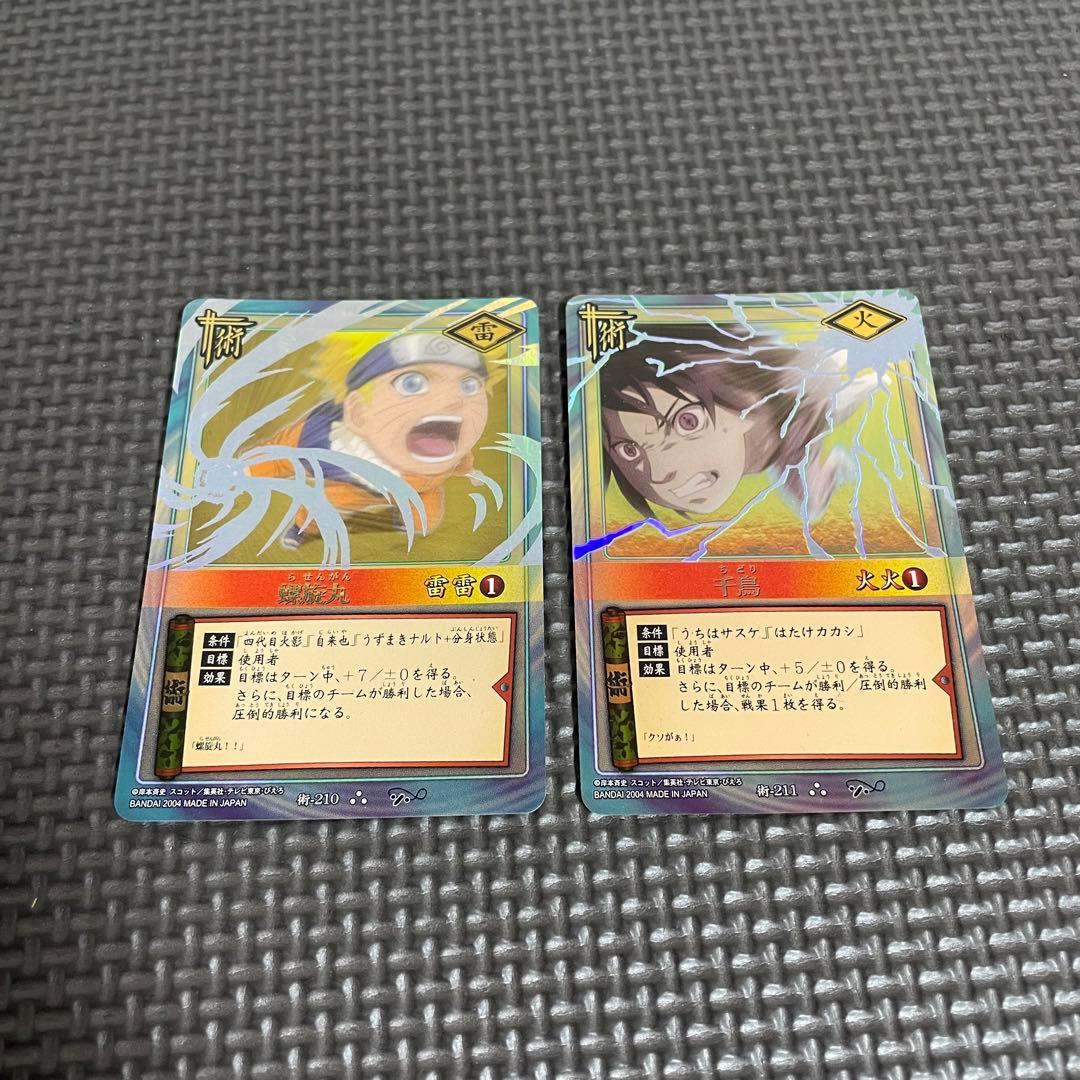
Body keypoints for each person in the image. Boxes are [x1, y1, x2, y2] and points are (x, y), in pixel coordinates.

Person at [600, 325, 871, 521]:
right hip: (794, 395)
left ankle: (861, 379)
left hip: (800, 400)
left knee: (811, 498)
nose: (661, 473)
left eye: (688, 422)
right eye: (629, 450)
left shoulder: (783, 421)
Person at [250, 332, 489, 548]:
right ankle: (302, 529)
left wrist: (470, 471)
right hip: (357, 487)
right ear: (358, 412)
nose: (453, 400)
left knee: (425, 520)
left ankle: (404, 518)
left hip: (420, 489)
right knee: (318, 508)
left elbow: (462, 459)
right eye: (411, 383)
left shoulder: (450, 449)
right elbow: (281, 456)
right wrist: (247, 471)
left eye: (469, 385)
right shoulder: (323, 438)